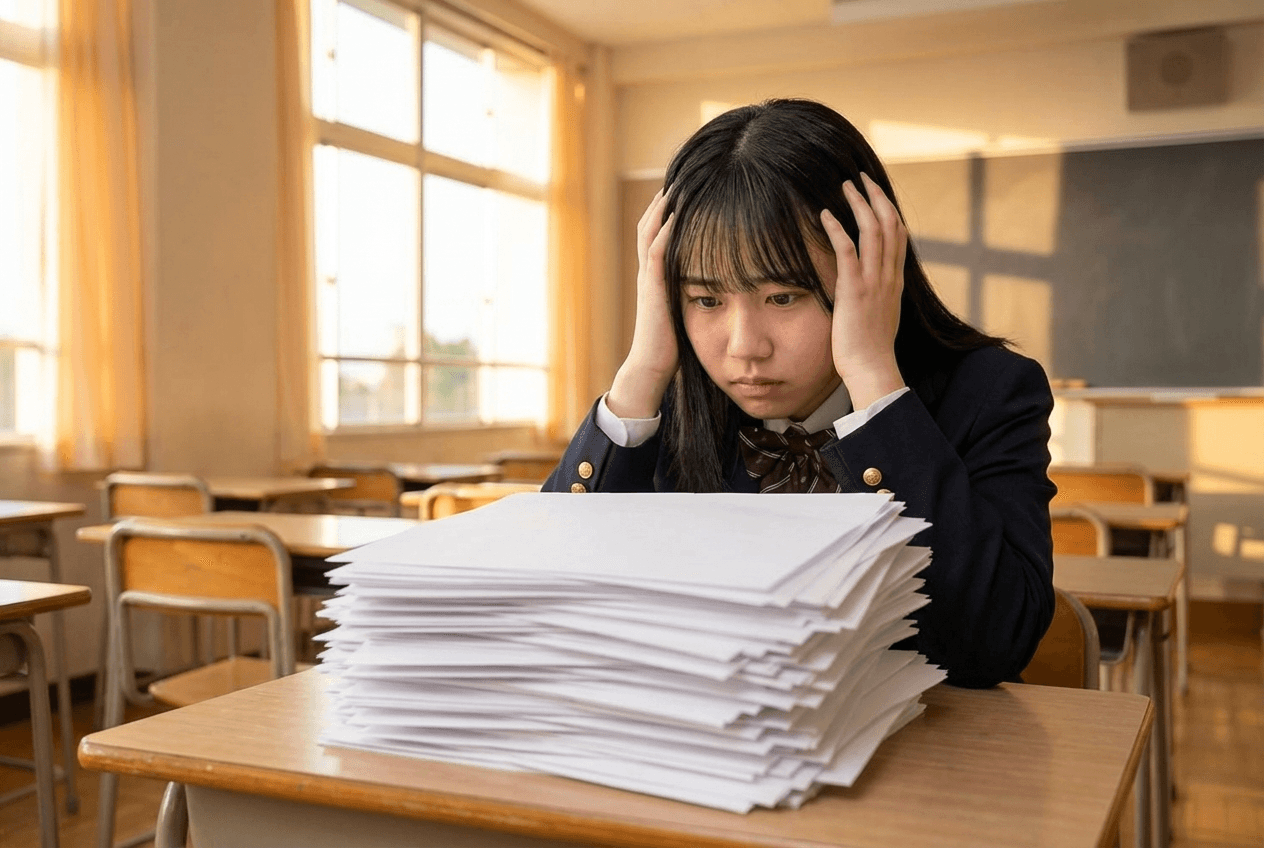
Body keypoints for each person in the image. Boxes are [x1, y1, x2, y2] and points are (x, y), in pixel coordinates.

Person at [543, 98, 1055, 689]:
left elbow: (993, 645)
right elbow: (551, 597)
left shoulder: (990, 393)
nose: (744, 348)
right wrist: (640, 371)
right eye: (706, 300)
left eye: (783, 297)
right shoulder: (667, 404)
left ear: (873, 265)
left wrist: (871, 378)